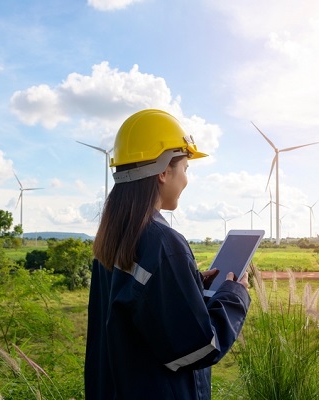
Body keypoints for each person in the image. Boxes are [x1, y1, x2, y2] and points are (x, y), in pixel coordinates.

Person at [84, 109, 251, 399]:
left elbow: (136, 303)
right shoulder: (163, 243)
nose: (186, 179)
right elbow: (197, 348)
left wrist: (191, 282)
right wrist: (235, 295)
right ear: (163, 172)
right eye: (185, 168)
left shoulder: (113, 236)